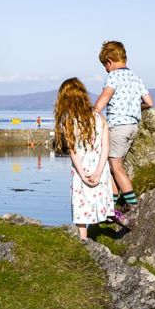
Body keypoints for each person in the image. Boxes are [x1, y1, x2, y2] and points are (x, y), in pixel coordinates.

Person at [92, 41, 154, 226]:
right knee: (112, 166)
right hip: (133, 126)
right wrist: (135, 107)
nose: (105, 69)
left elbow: (105, 97)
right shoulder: (136, 77)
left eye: (105, 65)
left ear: (109, 61)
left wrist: (94, 112)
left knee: (116, 166)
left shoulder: (113, 77)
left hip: (118, 127)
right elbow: (149, 102)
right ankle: (110, 208)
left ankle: (133, 207)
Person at [55, 78, 114, 242]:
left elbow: (73, 152)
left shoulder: (69, 121)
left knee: (81, 209)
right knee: (98, 203)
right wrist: (99, 171)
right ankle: (113, 220)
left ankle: (83, 241)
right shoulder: (99, 118)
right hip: (99, 169)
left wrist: (82, 174)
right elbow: (105, 148)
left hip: (81, 169)